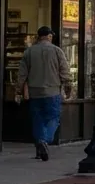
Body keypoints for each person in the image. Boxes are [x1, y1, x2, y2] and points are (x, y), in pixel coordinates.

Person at [18, 26, 69, 161]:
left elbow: (22, 74)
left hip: (35, 92)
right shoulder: (57, 51)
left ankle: (41, 141)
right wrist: (67, 85)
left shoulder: (29, 52)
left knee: (38, 119)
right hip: (53, 91)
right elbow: (65, 71)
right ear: (49, 36)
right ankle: (45, 140)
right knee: (53, 118)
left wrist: (19, 90)